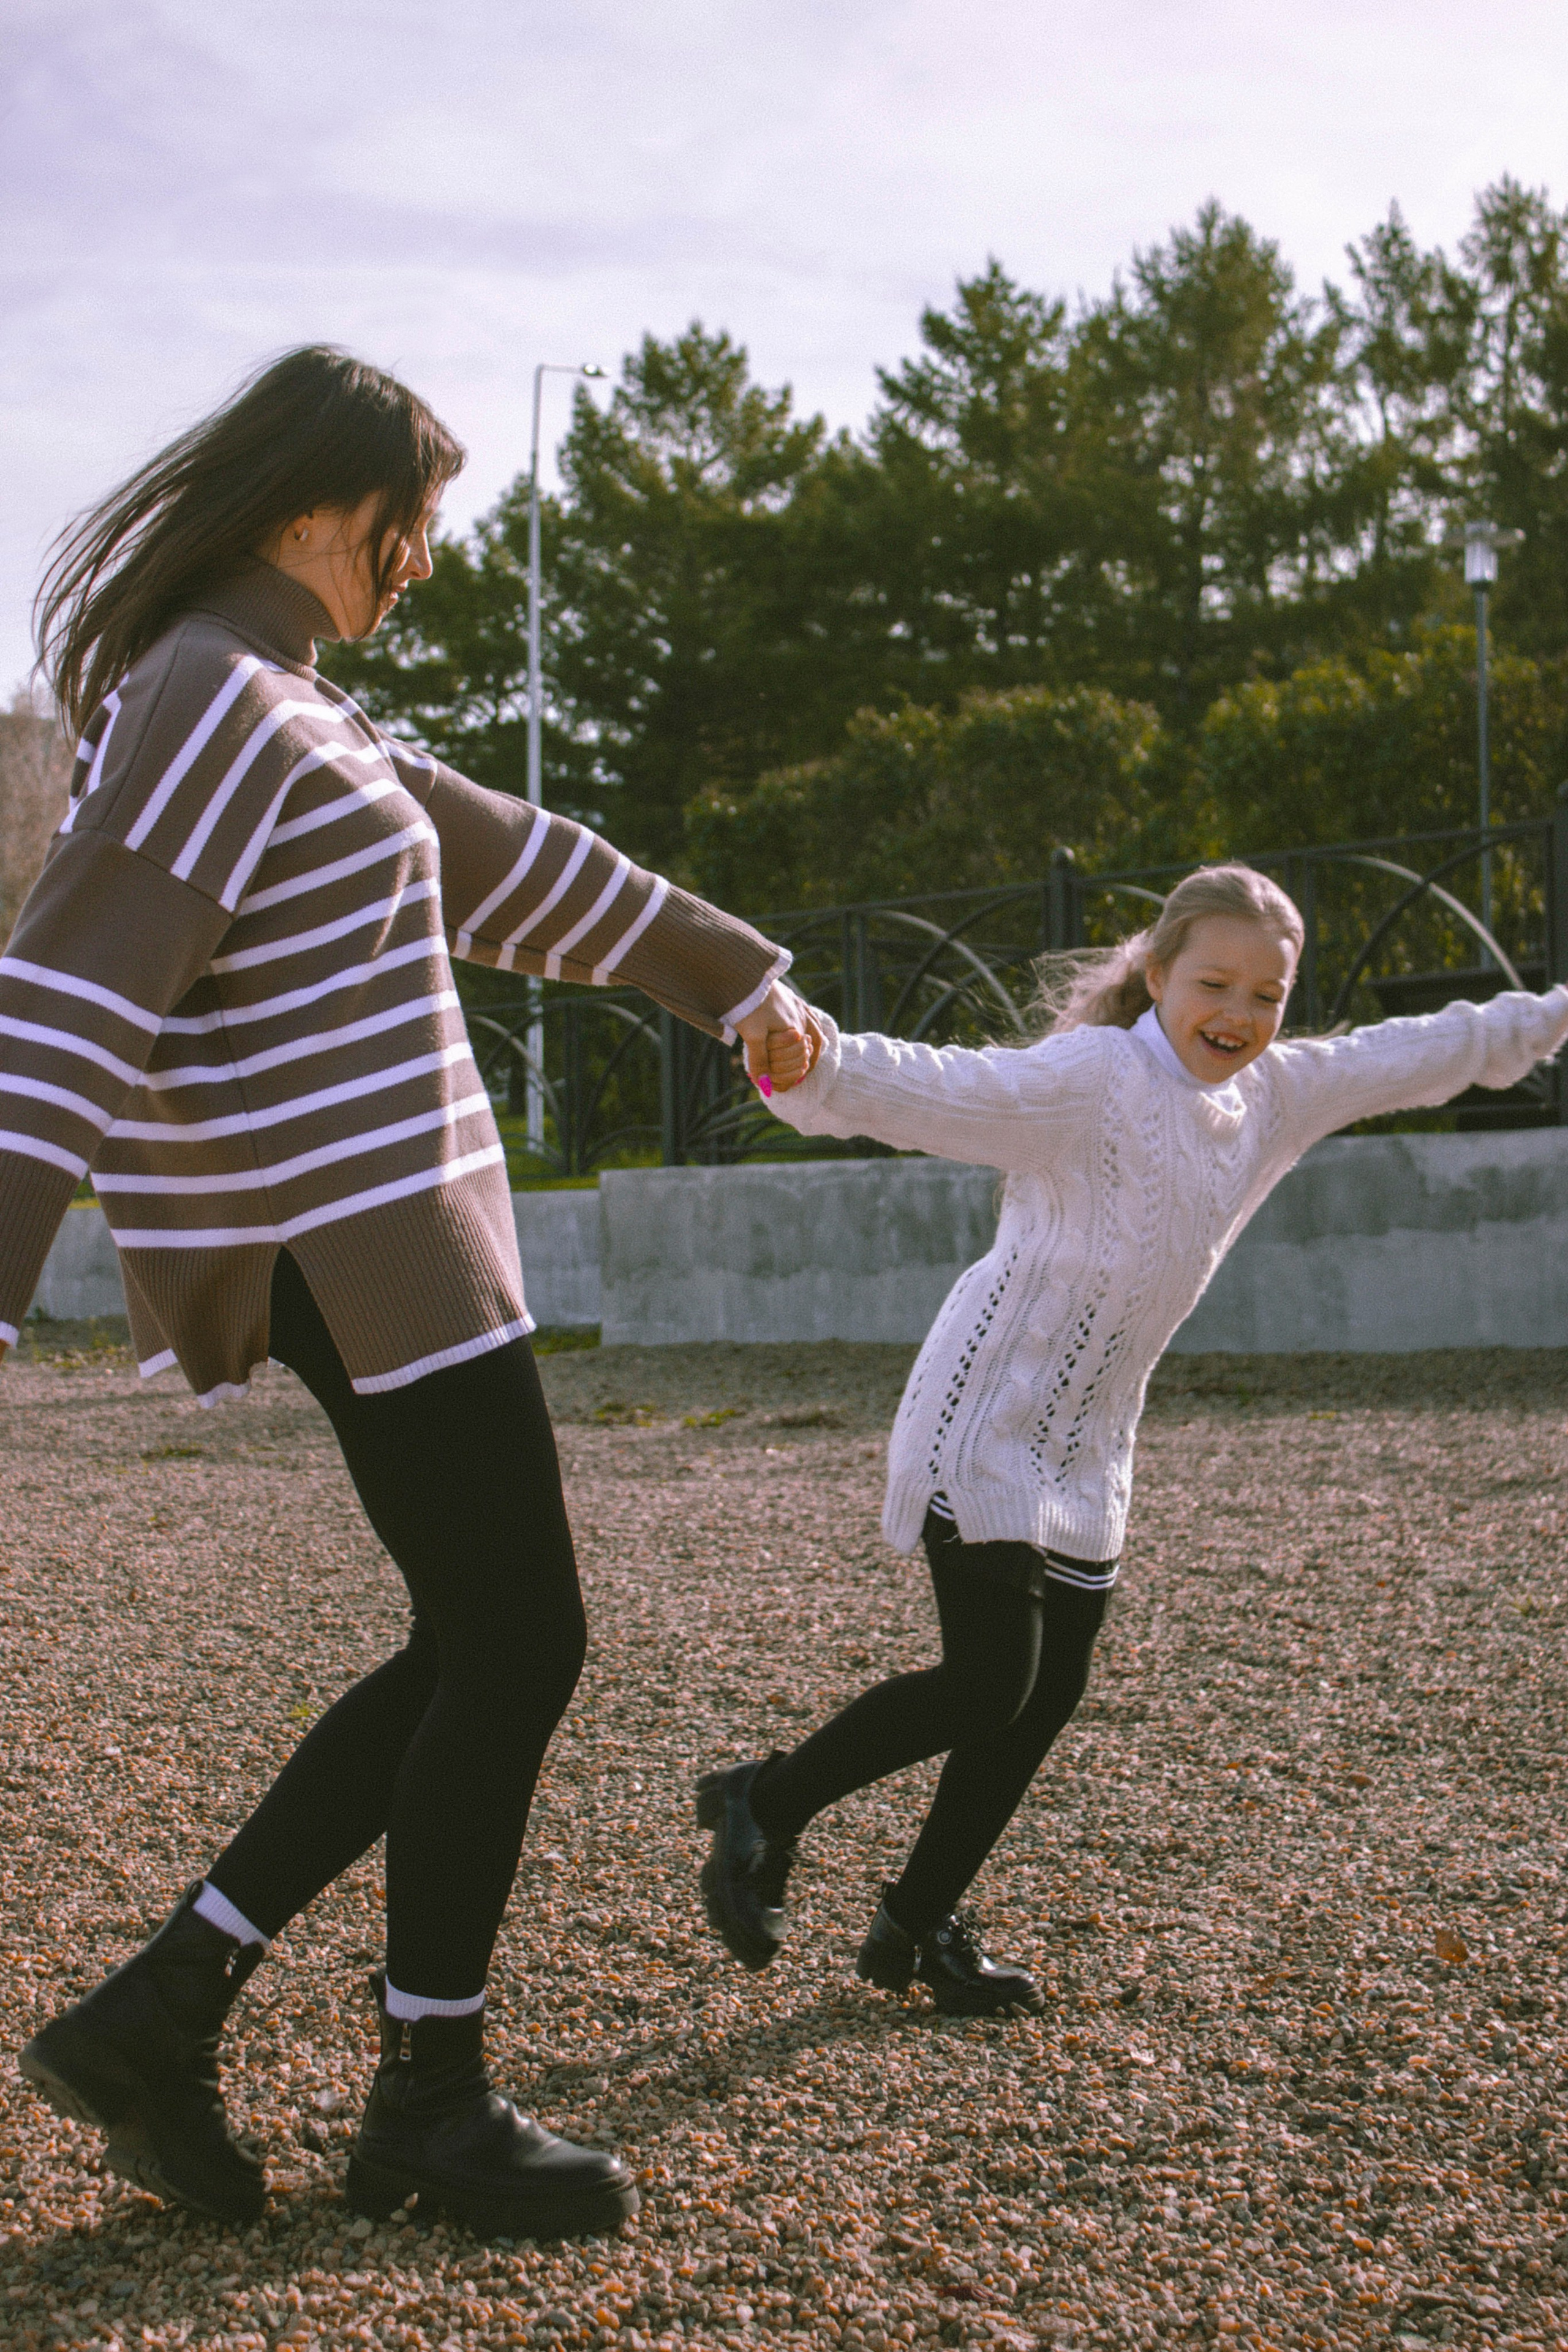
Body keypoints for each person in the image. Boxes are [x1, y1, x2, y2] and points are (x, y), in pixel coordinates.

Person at [9, 346, 807, 2237]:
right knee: (520, 1636)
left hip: (396, 1244)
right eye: (410, 522)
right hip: (362, 1247)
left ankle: (165, 2011)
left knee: (482, 1637)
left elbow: (516, 863)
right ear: (310, 509)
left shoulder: (295, 714)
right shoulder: (208, 702)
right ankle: (426, 2101)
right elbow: (59, 1001)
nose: (424, 560)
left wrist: (739, 984)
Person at [698, 864, 1568, 2016]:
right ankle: (765, 1798)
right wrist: (820, 1061)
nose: (1240, 1015)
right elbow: (944, 1088)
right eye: (1214, 982)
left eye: (1268, 994)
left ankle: (917, 1924)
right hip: (987, 1409)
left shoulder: (1275, 1095)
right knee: (985, 1682)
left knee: (1045, 1697)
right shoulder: (1096, 1078)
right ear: (1157, 975)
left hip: (1093, 1440)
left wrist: (1551, 1017)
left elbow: (1425, 1048)